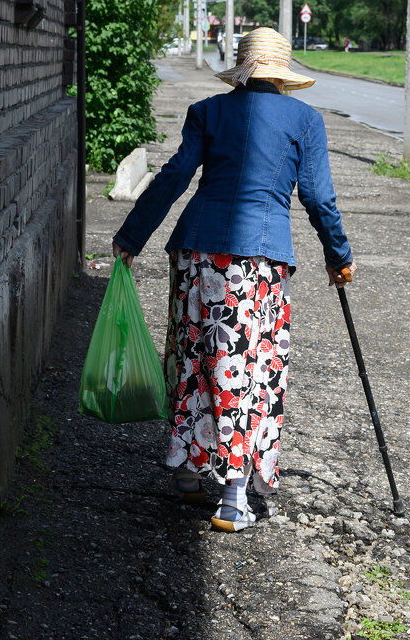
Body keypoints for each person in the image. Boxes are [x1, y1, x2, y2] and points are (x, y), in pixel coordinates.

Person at [111, 27, 355, 533]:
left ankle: (185, 472)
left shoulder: (209, 110)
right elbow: (317, 196)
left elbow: (175, 174)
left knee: (194, 356)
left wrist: (131, 237)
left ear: (242, 72)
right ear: (282, 75)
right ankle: (233, 497)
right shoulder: (305, 120)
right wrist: (339, 255)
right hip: (258, 262)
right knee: (246, 368)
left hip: (196, 251)